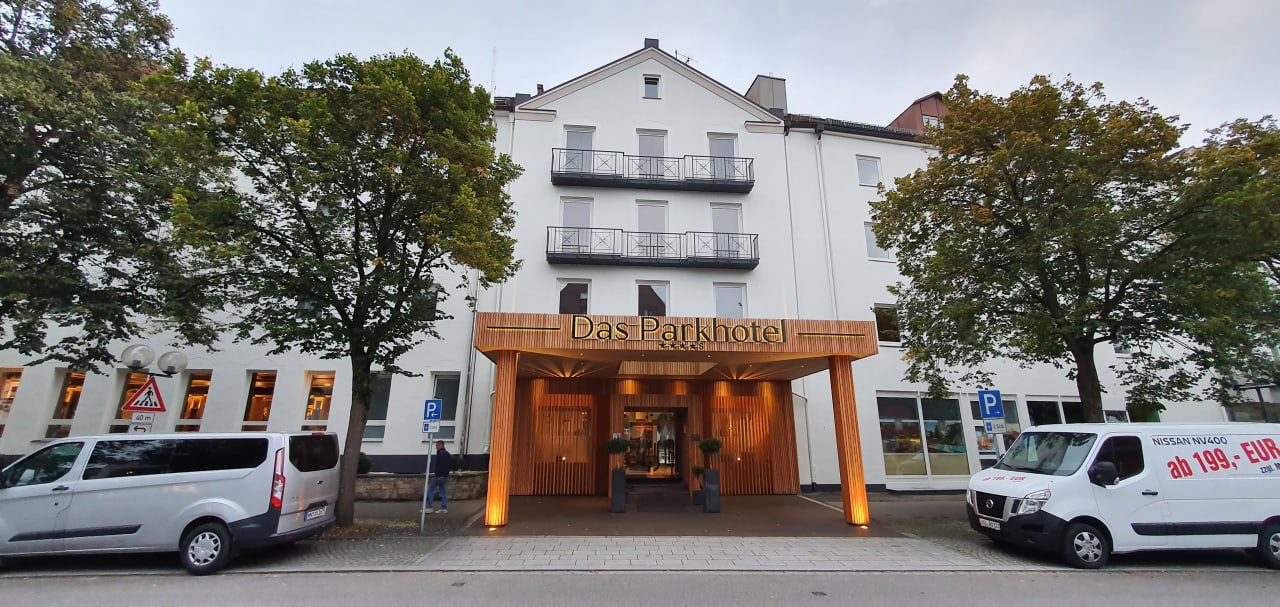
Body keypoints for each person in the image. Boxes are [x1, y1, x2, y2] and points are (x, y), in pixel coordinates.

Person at [424, 440, 452, 514]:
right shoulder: (447, 454)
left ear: (441, 445)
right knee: (442, 492)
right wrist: (445, 475)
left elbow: (440, 466)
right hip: (444, 476)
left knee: (430, 490)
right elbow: (448, 466)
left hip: (439, 476)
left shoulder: (441, 454)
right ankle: (444, 508)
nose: (436, 447)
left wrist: (437, 475)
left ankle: (430, 507)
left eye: (437, 445)